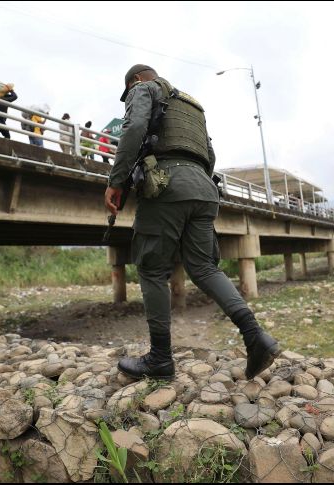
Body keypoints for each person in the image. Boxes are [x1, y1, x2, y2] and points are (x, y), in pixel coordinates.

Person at [104, 64, 280, 381]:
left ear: (133, 81)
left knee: (152, 267)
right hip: (204, 188)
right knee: (204, 268)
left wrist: (117, 181)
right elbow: (209, 153)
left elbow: (132, 130)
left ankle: (160, 359)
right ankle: (256, 338)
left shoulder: (143, 89)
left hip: (167, 186)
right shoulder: (191, 105)